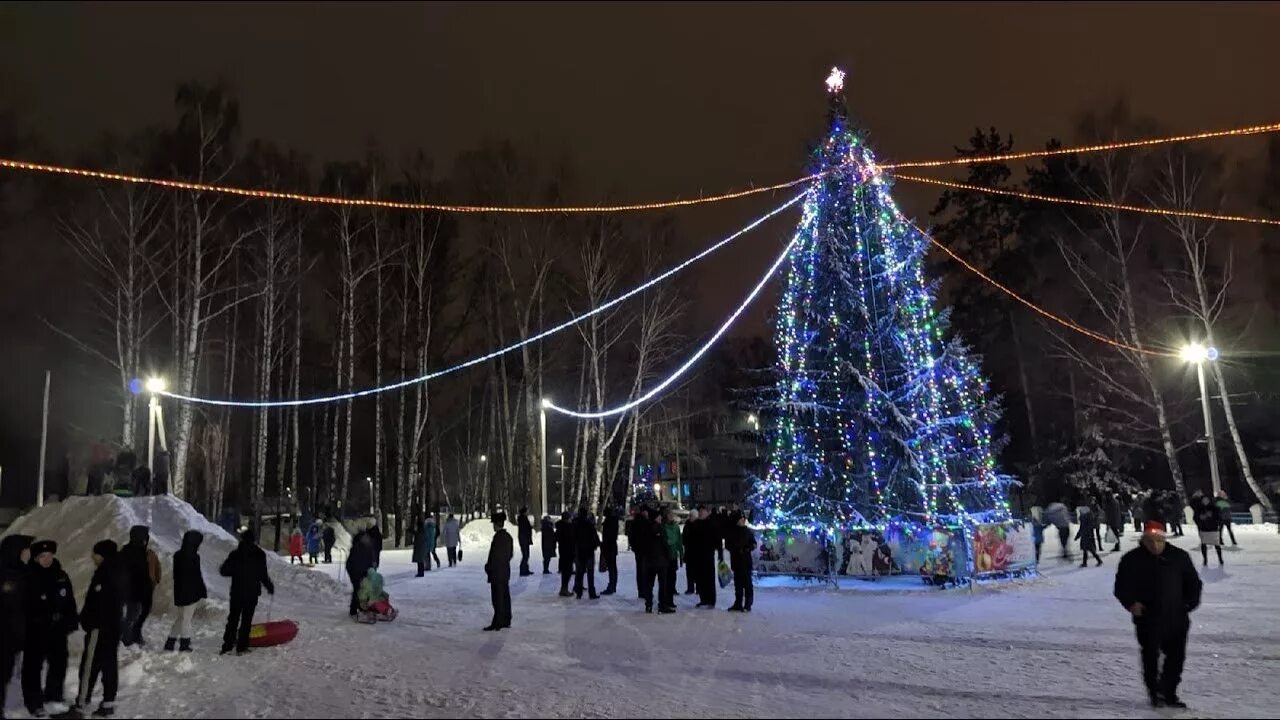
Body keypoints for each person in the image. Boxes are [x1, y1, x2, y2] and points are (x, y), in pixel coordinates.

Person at [1114, 521, 1202, 708]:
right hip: (1148, 618)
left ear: (1164, 539)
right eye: (1150, 541)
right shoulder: (1131, 559)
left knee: (1176, 658)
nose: (1155, 545)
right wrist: (1131, 604)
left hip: (1176, 618)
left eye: (1159, 540)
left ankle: (1169, 692)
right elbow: (1121, 586)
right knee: (1151, 657)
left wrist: (1189, 603)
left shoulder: (1179, 557)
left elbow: (1193, 583)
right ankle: (1154, 693)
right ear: (1143, 540)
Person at [22, 540, 78, 717]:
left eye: (49, 556)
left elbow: (69, 601)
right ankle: (34, 702)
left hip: (57, 630)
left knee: (59, 663)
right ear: (36, 558)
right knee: (33, 666)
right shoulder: (29, 577)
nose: (47, 559)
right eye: (42, 556)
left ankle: (54, 696)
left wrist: (70, 621)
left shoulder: (61, 575)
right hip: (36, 630)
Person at [74, 540, 125, 718]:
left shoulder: (106, 574)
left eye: (95, 553)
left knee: (90, 666)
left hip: (100, 628)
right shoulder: (117, 570)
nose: (92, 557)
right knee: (109, 664)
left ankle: (81, 704)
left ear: (102, 554)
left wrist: (87, 620)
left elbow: (98, 603)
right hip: (112, 627)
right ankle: (108, 703)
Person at [219, 530, 275, 655]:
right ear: (254, 540)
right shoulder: (260, 554)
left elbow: (223, 571)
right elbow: (263, 574)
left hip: (237, 592)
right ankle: (241, 646)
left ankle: (227, 645)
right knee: (246, 620)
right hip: (252, 593)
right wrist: (269, 586)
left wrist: (235, 571)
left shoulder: (235, 554)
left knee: (233, 619)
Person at [1, 535, 33, 718]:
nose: (29, 552)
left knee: (5, 674)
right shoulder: (9, 575)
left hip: (12, 636)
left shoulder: (22, 572)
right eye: (26, 548)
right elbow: (14, 608)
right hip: (6, 635)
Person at [165, 531, 207, 653]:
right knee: (186, 619)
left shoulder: (178, 555)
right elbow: (196, 576)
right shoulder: (194, 557)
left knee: (181, 618)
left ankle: (170, 642)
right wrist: (202, 591)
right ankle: (184, 644)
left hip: (180, 591)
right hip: (191, 592)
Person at [119, 525, 159, 647]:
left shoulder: (147, 554)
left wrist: (154, 581)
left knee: (140, 614)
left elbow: (156, 570)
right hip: (133, 591)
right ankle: (127, 637)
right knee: (133, 615)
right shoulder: (127, 553)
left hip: (144, 591)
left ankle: (134, 634)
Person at [484, 511, 513, 631]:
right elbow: (509, 555)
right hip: (505, 571)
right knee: (505, 596)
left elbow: (494, 557)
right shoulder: (508, 537)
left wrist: (488, 567)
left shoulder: (498, 538)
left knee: (497, 598)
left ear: (497, 524)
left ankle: (498, 621)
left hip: (497, 572)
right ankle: (506, 619)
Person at [641, 510, 673, 614]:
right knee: (662, 584)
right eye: (659, 517)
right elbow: (665, 544)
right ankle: (662, 605)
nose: (660, 518)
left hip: (649, 561)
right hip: (660, 561)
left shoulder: (646, 528)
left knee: (649, 584)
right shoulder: (660, 528)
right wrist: (668, 555)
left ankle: (649, 604)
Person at [726, 513, 757, 612]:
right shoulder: (732, 532)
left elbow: (753, 544)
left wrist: (747, 548)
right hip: (736, 561)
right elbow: (728, 544)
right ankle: (738, 603)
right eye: (741, 519)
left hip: (746, 561)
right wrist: (735, 549)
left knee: (747, 583)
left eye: (743, 518)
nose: (743, 520)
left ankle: (748, 604)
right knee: (738, 584)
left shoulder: (748, 531)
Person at [345, 531, 375, 618]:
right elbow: (354, 563)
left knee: (364, 589)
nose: (367, 539)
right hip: (355, 571)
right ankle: (354, 609)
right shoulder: (357, 547)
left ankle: (362, 607)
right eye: (365, 537)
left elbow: (370, 560)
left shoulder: (368, 547)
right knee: (358, 589)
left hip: (364, 571)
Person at [573, 507, 600, 600]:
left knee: (579, 573)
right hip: (589, 552)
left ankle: (579, 592)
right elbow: (595, 538)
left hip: (579, 551)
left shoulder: (575, 524)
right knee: (590, 573)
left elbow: (572, 538)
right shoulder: (589, 525)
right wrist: (595, 545)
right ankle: (591, 593)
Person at [693, 507, 718, 608]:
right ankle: (703, 599)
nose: (700, 513)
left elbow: (716, 538)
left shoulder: (711, 523)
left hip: (708, 554)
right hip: (698, 555)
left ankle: (711, 600)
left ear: (707, 513)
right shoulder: (697, 524)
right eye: (699, 512)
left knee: (709, 578)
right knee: (700, 578)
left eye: (702, 512)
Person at [1193, 495, 1224, 567]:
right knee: (1203, 544)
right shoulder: (1199, 509)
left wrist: (1212, 516)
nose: (1205, 501)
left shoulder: (1214, 508)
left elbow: (1219, 517)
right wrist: (1201, 518)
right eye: (1204, 500)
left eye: (1207, 500)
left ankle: (1220, 558)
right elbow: (1195, 518)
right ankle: (1205, 559)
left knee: (1217, 544)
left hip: (1213, 528)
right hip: (1203, 528)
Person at [662, 509, 684, 608]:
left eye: (672, 515)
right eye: (669, 515)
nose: (671, 516)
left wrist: (681, 555)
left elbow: (679, 541)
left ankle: (670, 600)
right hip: (666, 556)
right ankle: (665, 600)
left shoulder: (675, 527)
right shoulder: (663, 527)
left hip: (673, 556)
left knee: (672, 578)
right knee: (666, 579)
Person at [629, 507, 651, 600]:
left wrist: (634, 546)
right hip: (644, 549)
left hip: (639, 549)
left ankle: (641, 590)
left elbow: (631, 536)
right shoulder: (645, 522)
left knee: (640, 570)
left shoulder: (635, 522)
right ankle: (644, 590)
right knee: (644, 571)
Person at [555, 511, 576, 597]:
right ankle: (564, 589)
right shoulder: (567, 527)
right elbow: (571, 539)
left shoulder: (560, 527)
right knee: (568, 571)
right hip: (568, 551)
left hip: (563, 551)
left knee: (566, 571)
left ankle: (564, 588)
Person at [600, 506, 619, 595]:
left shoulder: (608, 522)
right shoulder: (614, 521)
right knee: (613, 568)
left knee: (611, 568)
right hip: (612, 547)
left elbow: (607, 536)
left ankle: (611, 586)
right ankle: (613, 585)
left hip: (608, 547)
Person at [682, 510, 700, 594]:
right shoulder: (687, 526)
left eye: (692, 515)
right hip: (689, 552)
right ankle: (690, 587)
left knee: (697, 571)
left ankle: (698, 588)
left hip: (696, 552)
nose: (690, 517)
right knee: (689, 572)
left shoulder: (699, 525)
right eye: (690, 515)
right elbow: (684, 539)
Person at [517, 507, 534, 577]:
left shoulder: (523, 518)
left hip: (524, 539)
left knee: (526, 555)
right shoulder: (523, 519)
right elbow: (526, 529)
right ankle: (523, 570)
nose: (528, 512)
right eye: (527, 511)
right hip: (524, 539)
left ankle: (525, 569)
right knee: (525, 555)